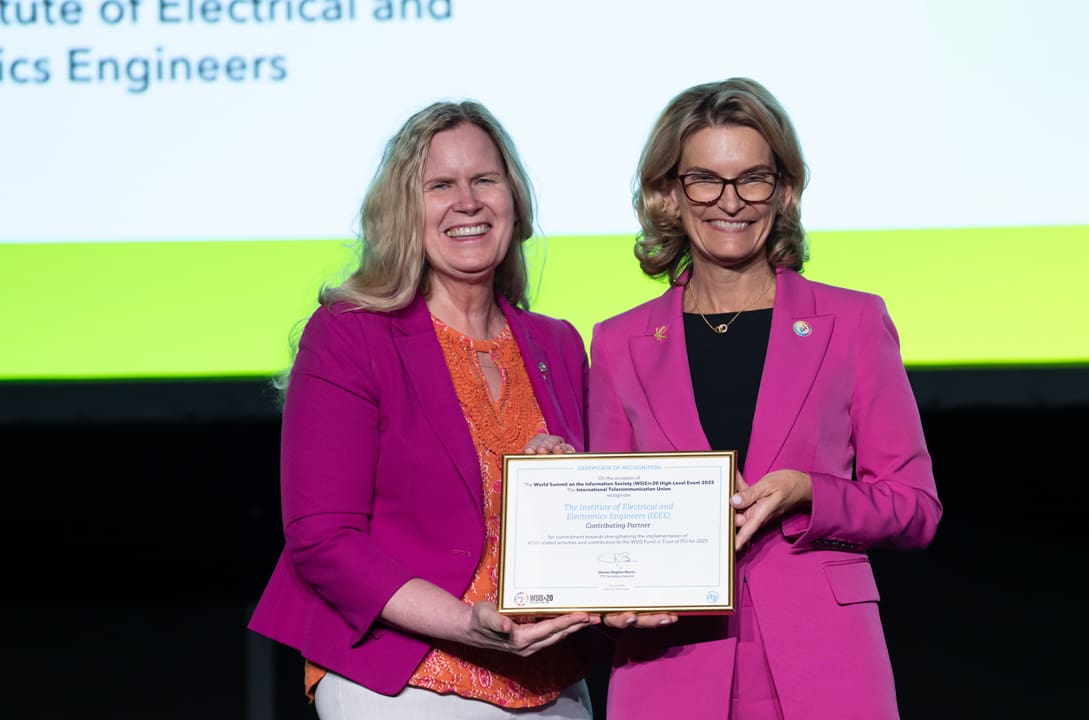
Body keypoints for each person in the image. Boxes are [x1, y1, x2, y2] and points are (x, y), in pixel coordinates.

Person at [588, 77, 942, 719]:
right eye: (705, 179)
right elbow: (611, 532)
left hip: (825, 662)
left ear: (783, 190)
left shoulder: (853, 322)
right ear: (669, 193)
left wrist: (810, 491)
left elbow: (916, 508)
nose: (731, 201)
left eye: (753, 178)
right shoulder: (619, 343)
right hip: (671, 668)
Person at [248, 100, 603, 719]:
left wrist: (569, 478)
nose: (467, 202)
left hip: (552, 679)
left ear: (513, 200)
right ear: (404, 211)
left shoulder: (558, 344)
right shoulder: (350, 334)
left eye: (484, 180)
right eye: (440, 185)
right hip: (403, 679)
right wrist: (468, 623)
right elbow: (323, 539)